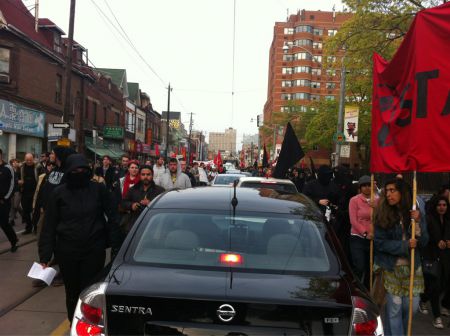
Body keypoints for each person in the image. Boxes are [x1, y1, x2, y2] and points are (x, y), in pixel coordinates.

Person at [39, 154, 121, 322]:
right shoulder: (59, 193)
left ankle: (90, 324)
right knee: (72, 291)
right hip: (67, 251)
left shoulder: (99, 189)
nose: (79, 172)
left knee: (90, 292)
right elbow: (49, 225)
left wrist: (116, 246)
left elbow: (113, 217)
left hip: (94, 249)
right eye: (75, 170)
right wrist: (45, 255)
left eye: (83, 169)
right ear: (69, 171)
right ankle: (74, 322)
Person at [373, 178, 429, 336]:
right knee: (395, 309)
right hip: (391, 267)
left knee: (411, 308)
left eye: (393, 190)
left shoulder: (415, 213)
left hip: (412, 268)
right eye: (387, 191)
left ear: (402, 193)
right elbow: (379, 243)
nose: (389, 194)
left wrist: (418, 223)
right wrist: (404, 246)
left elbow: (424, 242)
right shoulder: (382, 214)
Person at [418, 196, 450, 329]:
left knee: (442, 284)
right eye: (439, 205)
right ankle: (437, 317)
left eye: (444, 205)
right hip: (431, 255)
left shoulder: (448, 219)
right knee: (435, 285)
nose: (442, 207)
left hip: (446, 256)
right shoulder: (428, 218)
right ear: (434, 206)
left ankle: (424, 298)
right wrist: (436, 242)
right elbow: (425, 236)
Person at [349, 175, 377, 289]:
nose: (366, 188)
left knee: (371, 268)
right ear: (360, 188)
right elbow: (353, 220)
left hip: (373, 238)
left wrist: (376, 208)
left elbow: (382, 218)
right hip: (358, 238)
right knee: (360, 266)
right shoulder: (354, 200)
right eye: (364, 186)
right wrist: (365, 233)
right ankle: (355, 288)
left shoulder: (377, 200)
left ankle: (367, 290)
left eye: (369, 185)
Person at [121, 165, 164, 234]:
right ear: (140, 175)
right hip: (135, 225)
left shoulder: (160, 191)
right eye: (143, 174)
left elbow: (163, 207)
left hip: (153, 226)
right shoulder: (133, 189)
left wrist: (152, 203)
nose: (145, 177)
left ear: (152, 175)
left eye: (148, 174)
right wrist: (132, 205)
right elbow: (123, 203)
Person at [0, 149, 18, 252]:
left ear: (1, 155)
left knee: (4, 223)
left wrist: (5, 198)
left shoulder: (8, 168)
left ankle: (14, 241)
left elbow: (13, 184)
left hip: (4, 202)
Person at [20, 153, 39, 234]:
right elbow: (17, 176)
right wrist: (19, 181)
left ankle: (35, 227)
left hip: (35, 193)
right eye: (27, 160)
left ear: (33, 159)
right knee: (26, 211)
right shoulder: (22, 167)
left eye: (30, 160)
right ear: (25, 159)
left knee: (35, 212)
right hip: (24, 192)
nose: (28, 161)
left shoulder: (38, 167)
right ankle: (28, 228)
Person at [8, 158, 22, 227]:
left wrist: (20, 181)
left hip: (18, 190)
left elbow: (22, 179)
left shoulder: (20, 170)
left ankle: (23, 215)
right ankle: (11, 220)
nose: (15, 163)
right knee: (12, 206)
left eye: (16, 162)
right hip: (11, 190)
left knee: (15, 205)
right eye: (13, 162)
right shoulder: (10, 170)